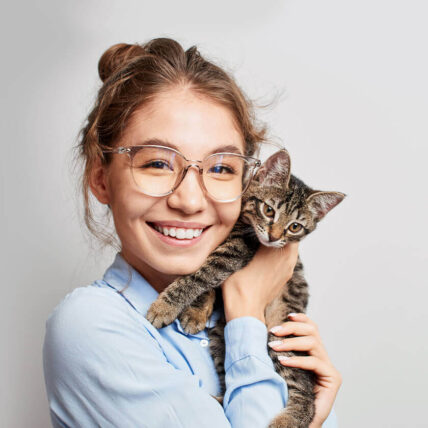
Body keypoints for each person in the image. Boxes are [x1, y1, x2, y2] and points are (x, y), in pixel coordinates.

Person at [43, 38, 341, 428]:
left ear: (247, 181)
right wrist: (247, 312)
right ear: (101, 179)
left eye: (220, 168)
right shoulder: (89, 326)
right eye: (157, 163)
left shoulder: (264, 319)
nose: (189, 200)